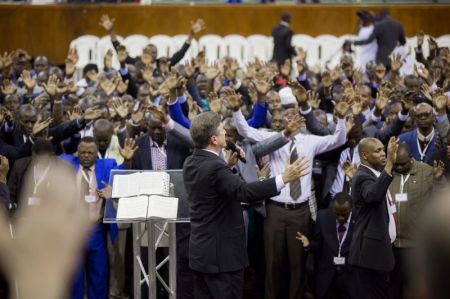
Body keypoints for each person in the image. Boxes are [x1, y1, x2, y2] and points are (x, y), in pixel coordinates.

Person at [183, 111, 310, 299]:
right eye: (221, 130)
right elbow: (245, 192)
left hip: (202, 254)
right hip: (222, 258)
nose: (225, 132)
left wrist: (227, 165)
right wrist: (284, 178)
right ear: (214, 139)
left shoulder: (191, 162)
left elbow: (217, 189)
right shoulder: (216, 167)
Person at [60, 136, 137, 299]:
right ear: (77, 153)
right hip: (73, 231)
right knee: (75, 278)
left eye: (90, 152)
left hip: (96, 231)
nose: (86, 155)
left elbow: (122, 174)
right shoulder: (66, 163)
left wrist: (128, 161)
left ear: (96, 154)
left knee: (99, 275)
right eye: (82, 152)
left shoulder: (107, 165)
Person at [387, 142, 445, 299]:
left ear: (411, 158)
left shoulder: (427, 171)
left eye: (402, 164)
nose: (398, 167)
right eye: (395, 164)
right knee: (392, 288)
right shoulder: (387, 171)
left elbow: (442, 201)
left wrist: (438, 181)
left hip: (415, 245)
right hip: (391, 245)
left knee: (414, 287)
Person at [349, 137, 398, 299]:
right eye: (378, 151)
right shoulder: (362, 176)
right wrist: (390, 163)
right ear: (364, 156)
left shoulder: (375, 173)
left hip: (378, 251)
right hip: (369, 254)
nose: (383, 154)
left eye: (383, 150)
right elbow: (373, 195)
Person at [296, 192, 354, 299]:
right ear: (332, 208)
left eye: (345, 214)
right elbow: (318, 245)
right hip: (326, 279)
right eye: (337, 214)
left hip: (350, 279)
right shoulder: (323, 217)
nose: (341, 217)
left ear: (351, 209)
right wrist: (308, 244)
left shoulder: (359, 220)